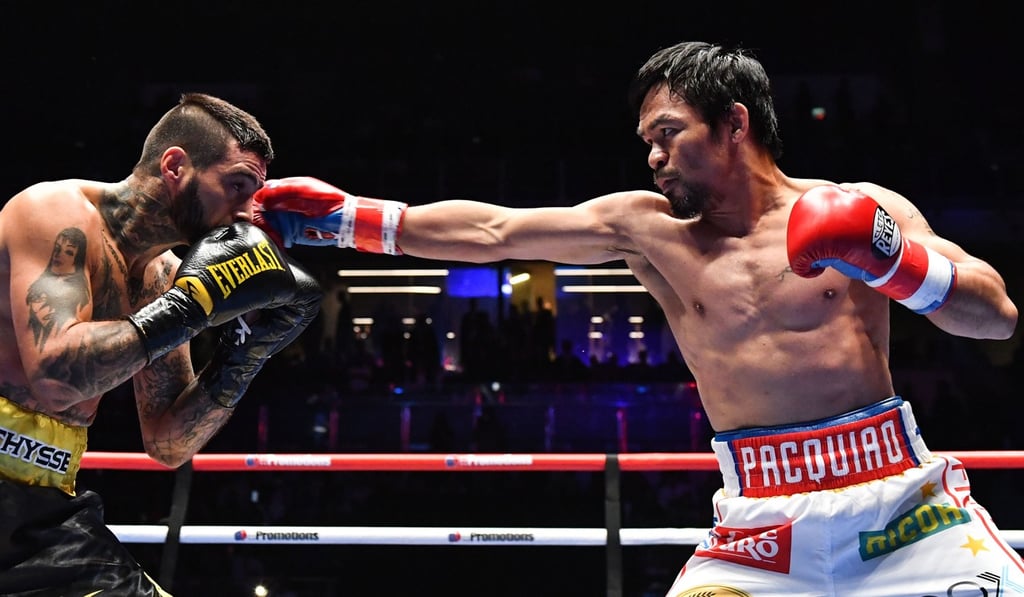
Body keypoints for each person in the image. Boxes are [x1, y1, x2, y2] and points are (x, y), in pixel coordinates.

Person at [253, 41, 1020, 595]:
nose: (652, 157)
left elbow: (996, 316)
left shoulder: (866, 207)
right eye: (646, 142)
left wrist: (894, 260)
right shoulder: (648, 229)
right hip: (760, 524)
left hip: (902, 506)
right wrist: (351, 219)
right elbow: (495, 231)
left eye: (668, 134)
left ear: (734, 125)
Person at [0, 92, 322, 596]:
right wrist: (191, 307)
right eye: (237, 186)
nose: (246, 214)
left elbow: (168, 444)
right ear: (176, 166)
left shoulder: (167, 279)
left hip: (44, 505)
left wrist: (245, 355)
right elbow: (56, 378)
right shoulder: (55, 213)